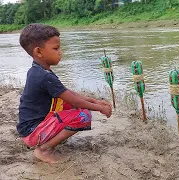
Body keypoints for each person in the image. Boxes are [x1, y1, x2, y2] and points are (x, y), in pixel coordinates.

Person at [16, 23, 112, 163]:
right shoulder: (44, 76)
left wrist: (95, 101)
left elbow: (68, 94)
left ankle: (47, 140)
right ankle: (44, 149)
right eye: (56, 48)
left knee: (68, 104)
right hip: (33, 133)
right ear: (38, 52)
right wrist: (100, 108)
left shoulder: (38, 70)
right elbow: (75, 101)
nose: (60, 52)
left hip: (31, 129)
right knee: (83, 115)